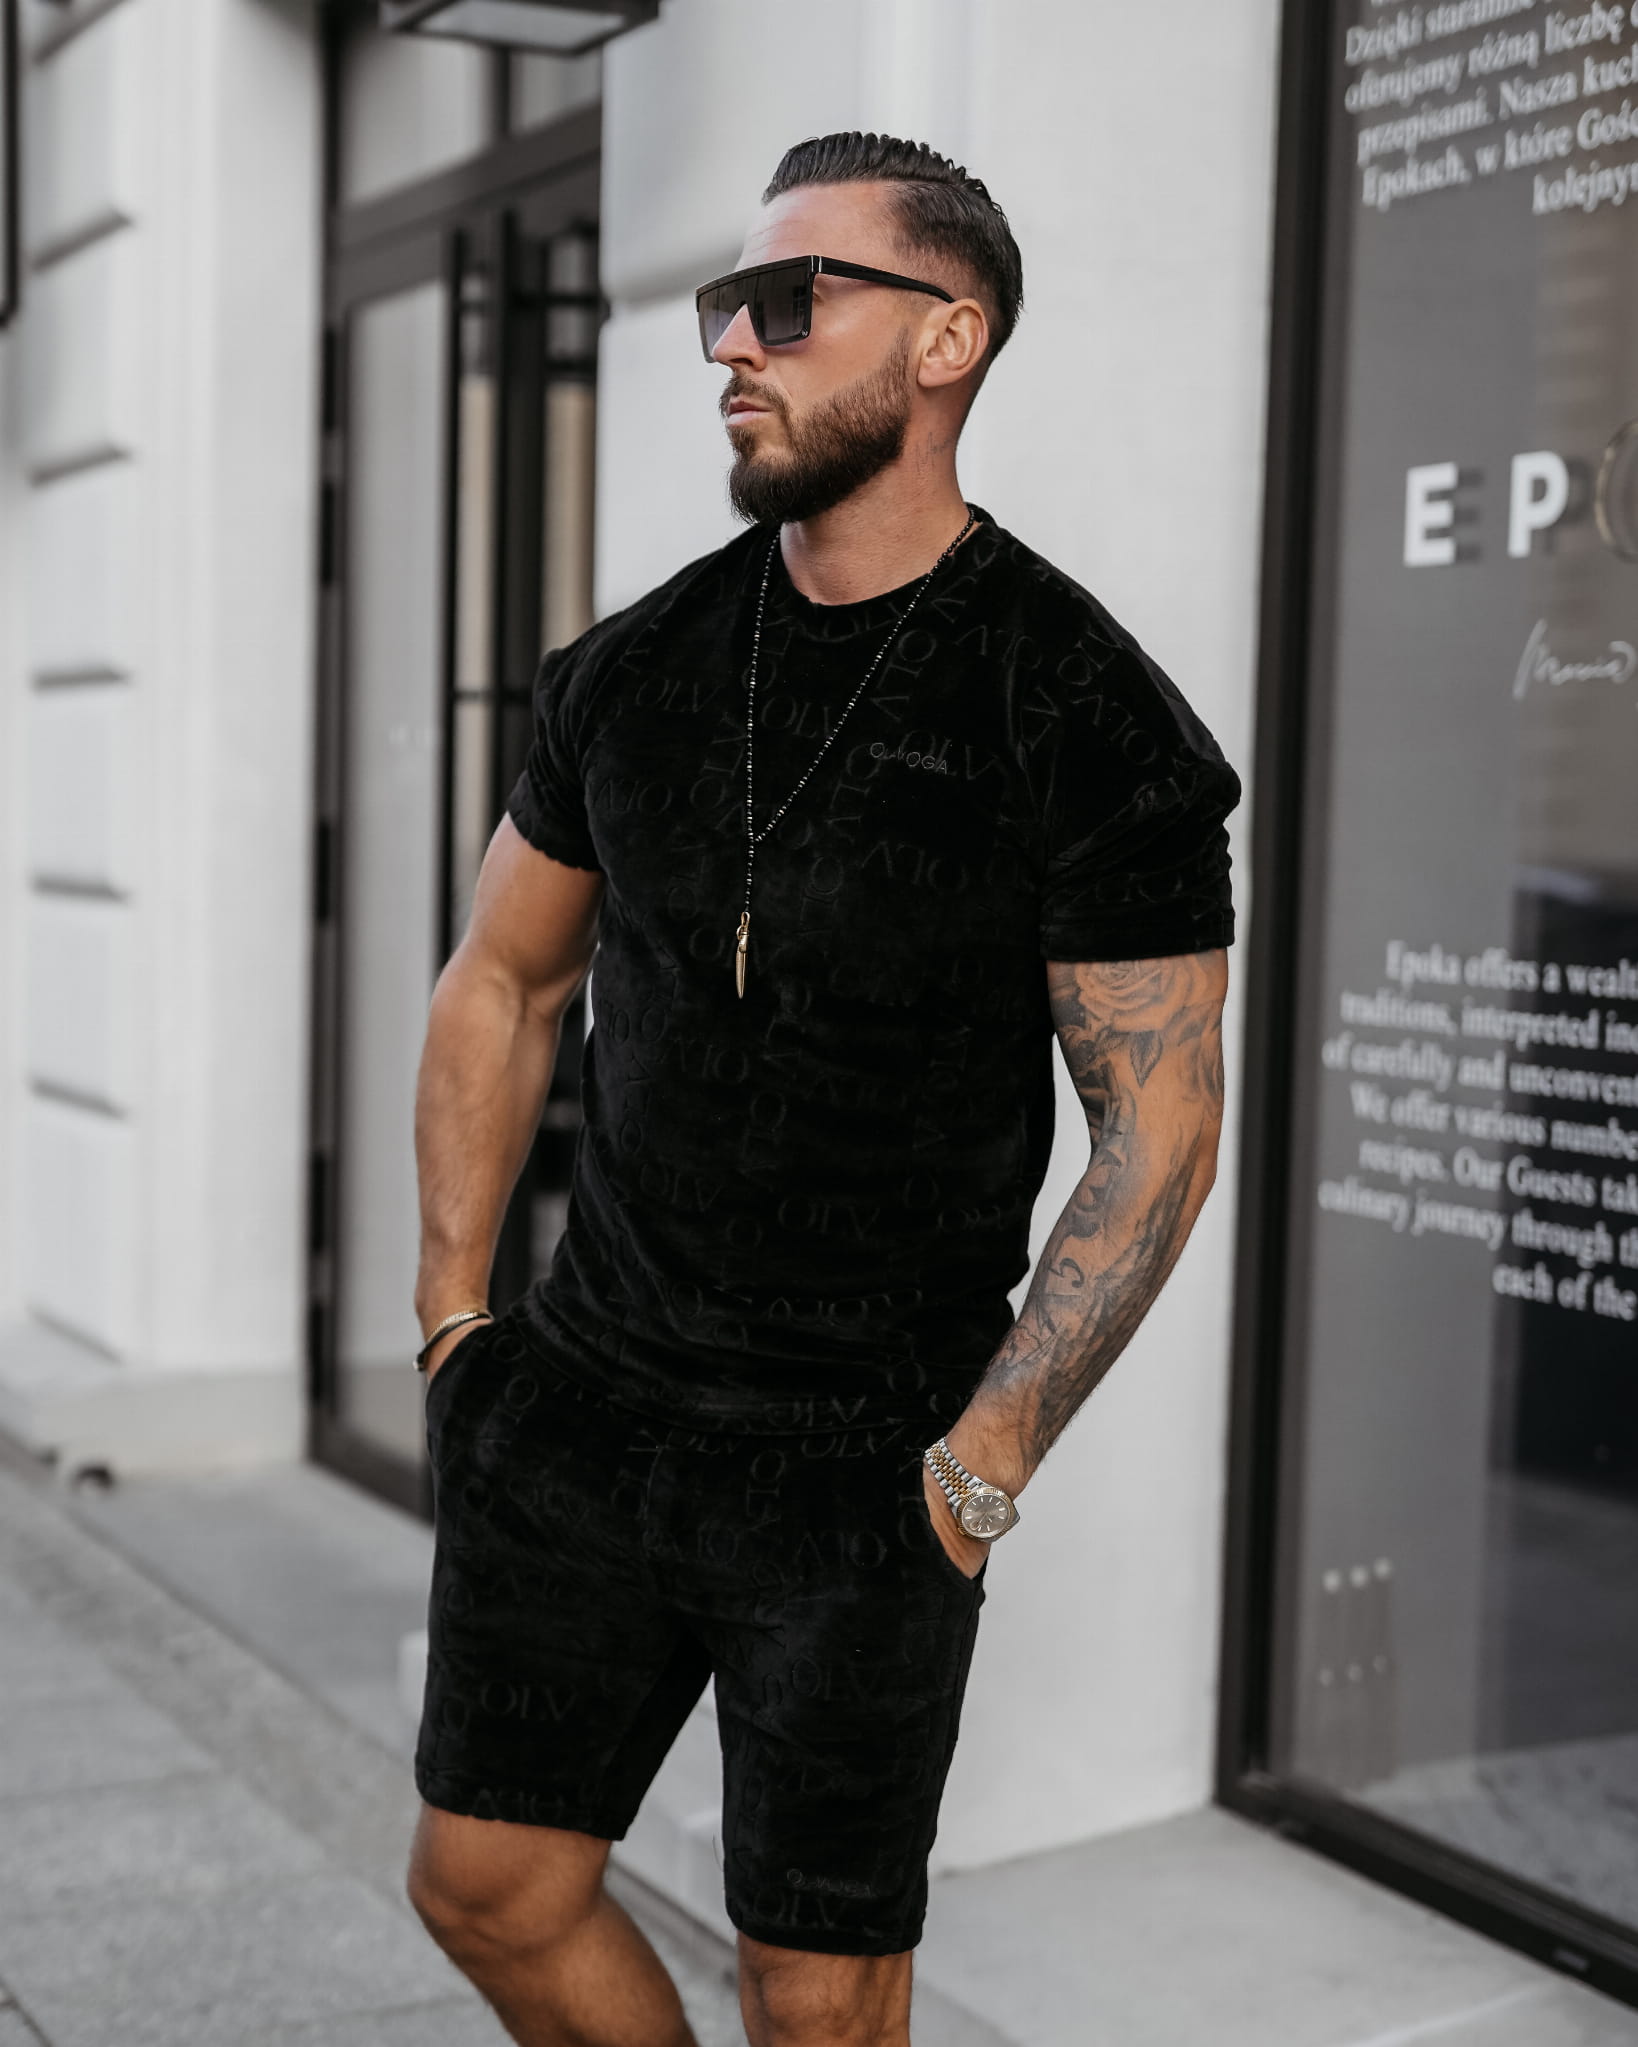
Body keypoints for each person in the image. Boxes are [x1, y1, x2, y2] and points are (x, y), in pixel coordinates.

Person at [404, 130, 1240, 2047]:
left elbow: (1158, 1131)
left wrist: (973, 1472)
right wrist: (457, 1324)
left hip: (865, 1464)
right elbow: (500, 980)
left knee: (818, 1997)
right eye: (726, 303)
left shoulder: (1082, 712)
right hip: (583, 1409)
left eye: (786, 303)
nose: (730, 344)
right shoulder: (630, 671)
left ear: (948, 339)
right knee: (486, 1888)